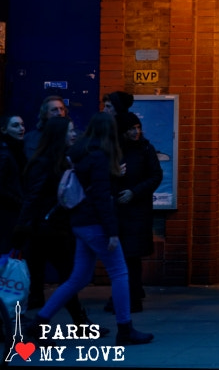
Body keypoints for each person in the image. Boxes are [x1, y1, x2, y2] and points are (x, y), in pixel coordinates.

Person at [28, 113, 152, 344]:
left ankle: (39, 323)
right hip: (96, 224)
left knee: (78, 278)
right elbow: (102, 198)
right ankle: (125, 329)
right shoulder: (100, 157)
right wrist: (112, 232)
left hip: (80, 223)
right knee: (120, 273)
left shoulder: (80, 154)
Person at [15, 117, 106, 332]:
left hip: (56, 227)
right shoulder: (44, 162)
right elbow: (33, 197)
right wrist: (22, 226)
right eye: (70, 131)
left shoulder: (63, 159)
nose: (74, 135)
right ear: (59, 135)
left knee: (66, 277)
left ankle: (69, 323)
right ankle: (45, 325)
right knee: (61, 278)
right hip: (44, 229)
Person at [104, 111, 162, 314]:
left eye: (138, 128)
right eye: (131, 129)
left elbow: (156, 175)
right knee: (124, 257)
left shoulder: (145, 148)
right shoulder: (114, 150)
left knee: (132, 257)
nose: (135, 132)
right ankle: (124, 298)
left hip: (137, 210)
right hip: (120, 210)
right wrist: (117, 177)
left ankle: (132, 299)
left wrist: (134, 192)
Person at [0, 115, 27, 253]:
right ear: (4, 130)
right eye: (15, 125)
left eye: (22, 125)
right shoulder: (5, 153)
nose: (21, 128)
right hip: (8, 212)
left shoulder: (17, 150)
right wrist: (18, 200)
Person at [25, 95, 67, 159]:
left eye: (62, 109)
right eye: (54, 110)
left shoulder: (75, 137)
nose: (59, 113)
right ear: (45, 114)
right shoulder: (30, 138)